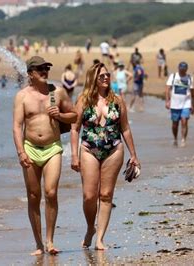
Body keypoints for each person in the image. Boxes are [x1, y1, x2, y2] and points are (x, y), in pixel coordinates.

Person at [70, 62, 140, 250]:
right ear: (93, 78)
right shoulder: (83, 100)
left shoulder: (117, 100)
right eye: (101, 76)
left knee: (106, 195)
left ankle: (100, 238)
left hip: (114, 149)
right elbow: (75, 129)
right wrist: (74, 156)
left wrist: (134, 155)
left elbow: (125, 128)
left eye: (108, 75)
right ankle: (89, 228)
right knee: (89, 196)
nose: (106, 78)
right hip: (88, 150)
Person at [12, 56, 77, 255]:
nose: (44, 71)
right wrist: (21, 151)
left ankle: (50, 241)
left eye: (46, 68)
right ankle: (39, 244)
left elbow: (74, 116)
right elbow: (17, 126)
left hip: (53, 148)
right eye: (39, 69)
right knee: (33, 196)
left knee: (50, 192)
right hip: (30, 148)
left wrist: (60, 115)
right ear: (30, 73)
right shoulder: (22, 96)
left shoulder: (57, 92)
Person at [165, 62, 194, 147]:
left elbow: (193, 93)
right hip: (174, 104)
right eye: (181, 69)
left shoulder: (189, 78)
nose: (182, 71)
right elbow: (167, 89)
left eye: (184, 70)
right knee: (175, 124)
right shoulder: (173, 76)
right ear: (178, 68)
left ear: (186, 69)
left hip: (186, 104)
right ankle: (175, 139)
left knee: (184, 121)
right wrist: (167, 101)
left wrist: (193, 105)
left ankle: (183, 140)